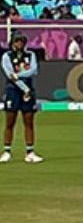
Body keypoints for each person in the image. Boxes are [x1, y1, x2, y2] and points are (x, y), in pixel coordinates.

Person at [2, 32, 43, 163]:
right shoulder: (7, 56)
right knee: (10, 121)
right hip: (13, 90)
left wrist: (19, 76)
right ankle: (7, 151)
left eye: (21, 42)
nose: (19, 44)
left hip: (28, 91)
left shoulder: (30, 55)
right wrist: (24, 87)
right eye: (17, 41)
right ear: (12, 43)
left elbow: (34, 70)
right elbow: (10, 75)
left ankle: (30, 152)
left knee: (29, 121)